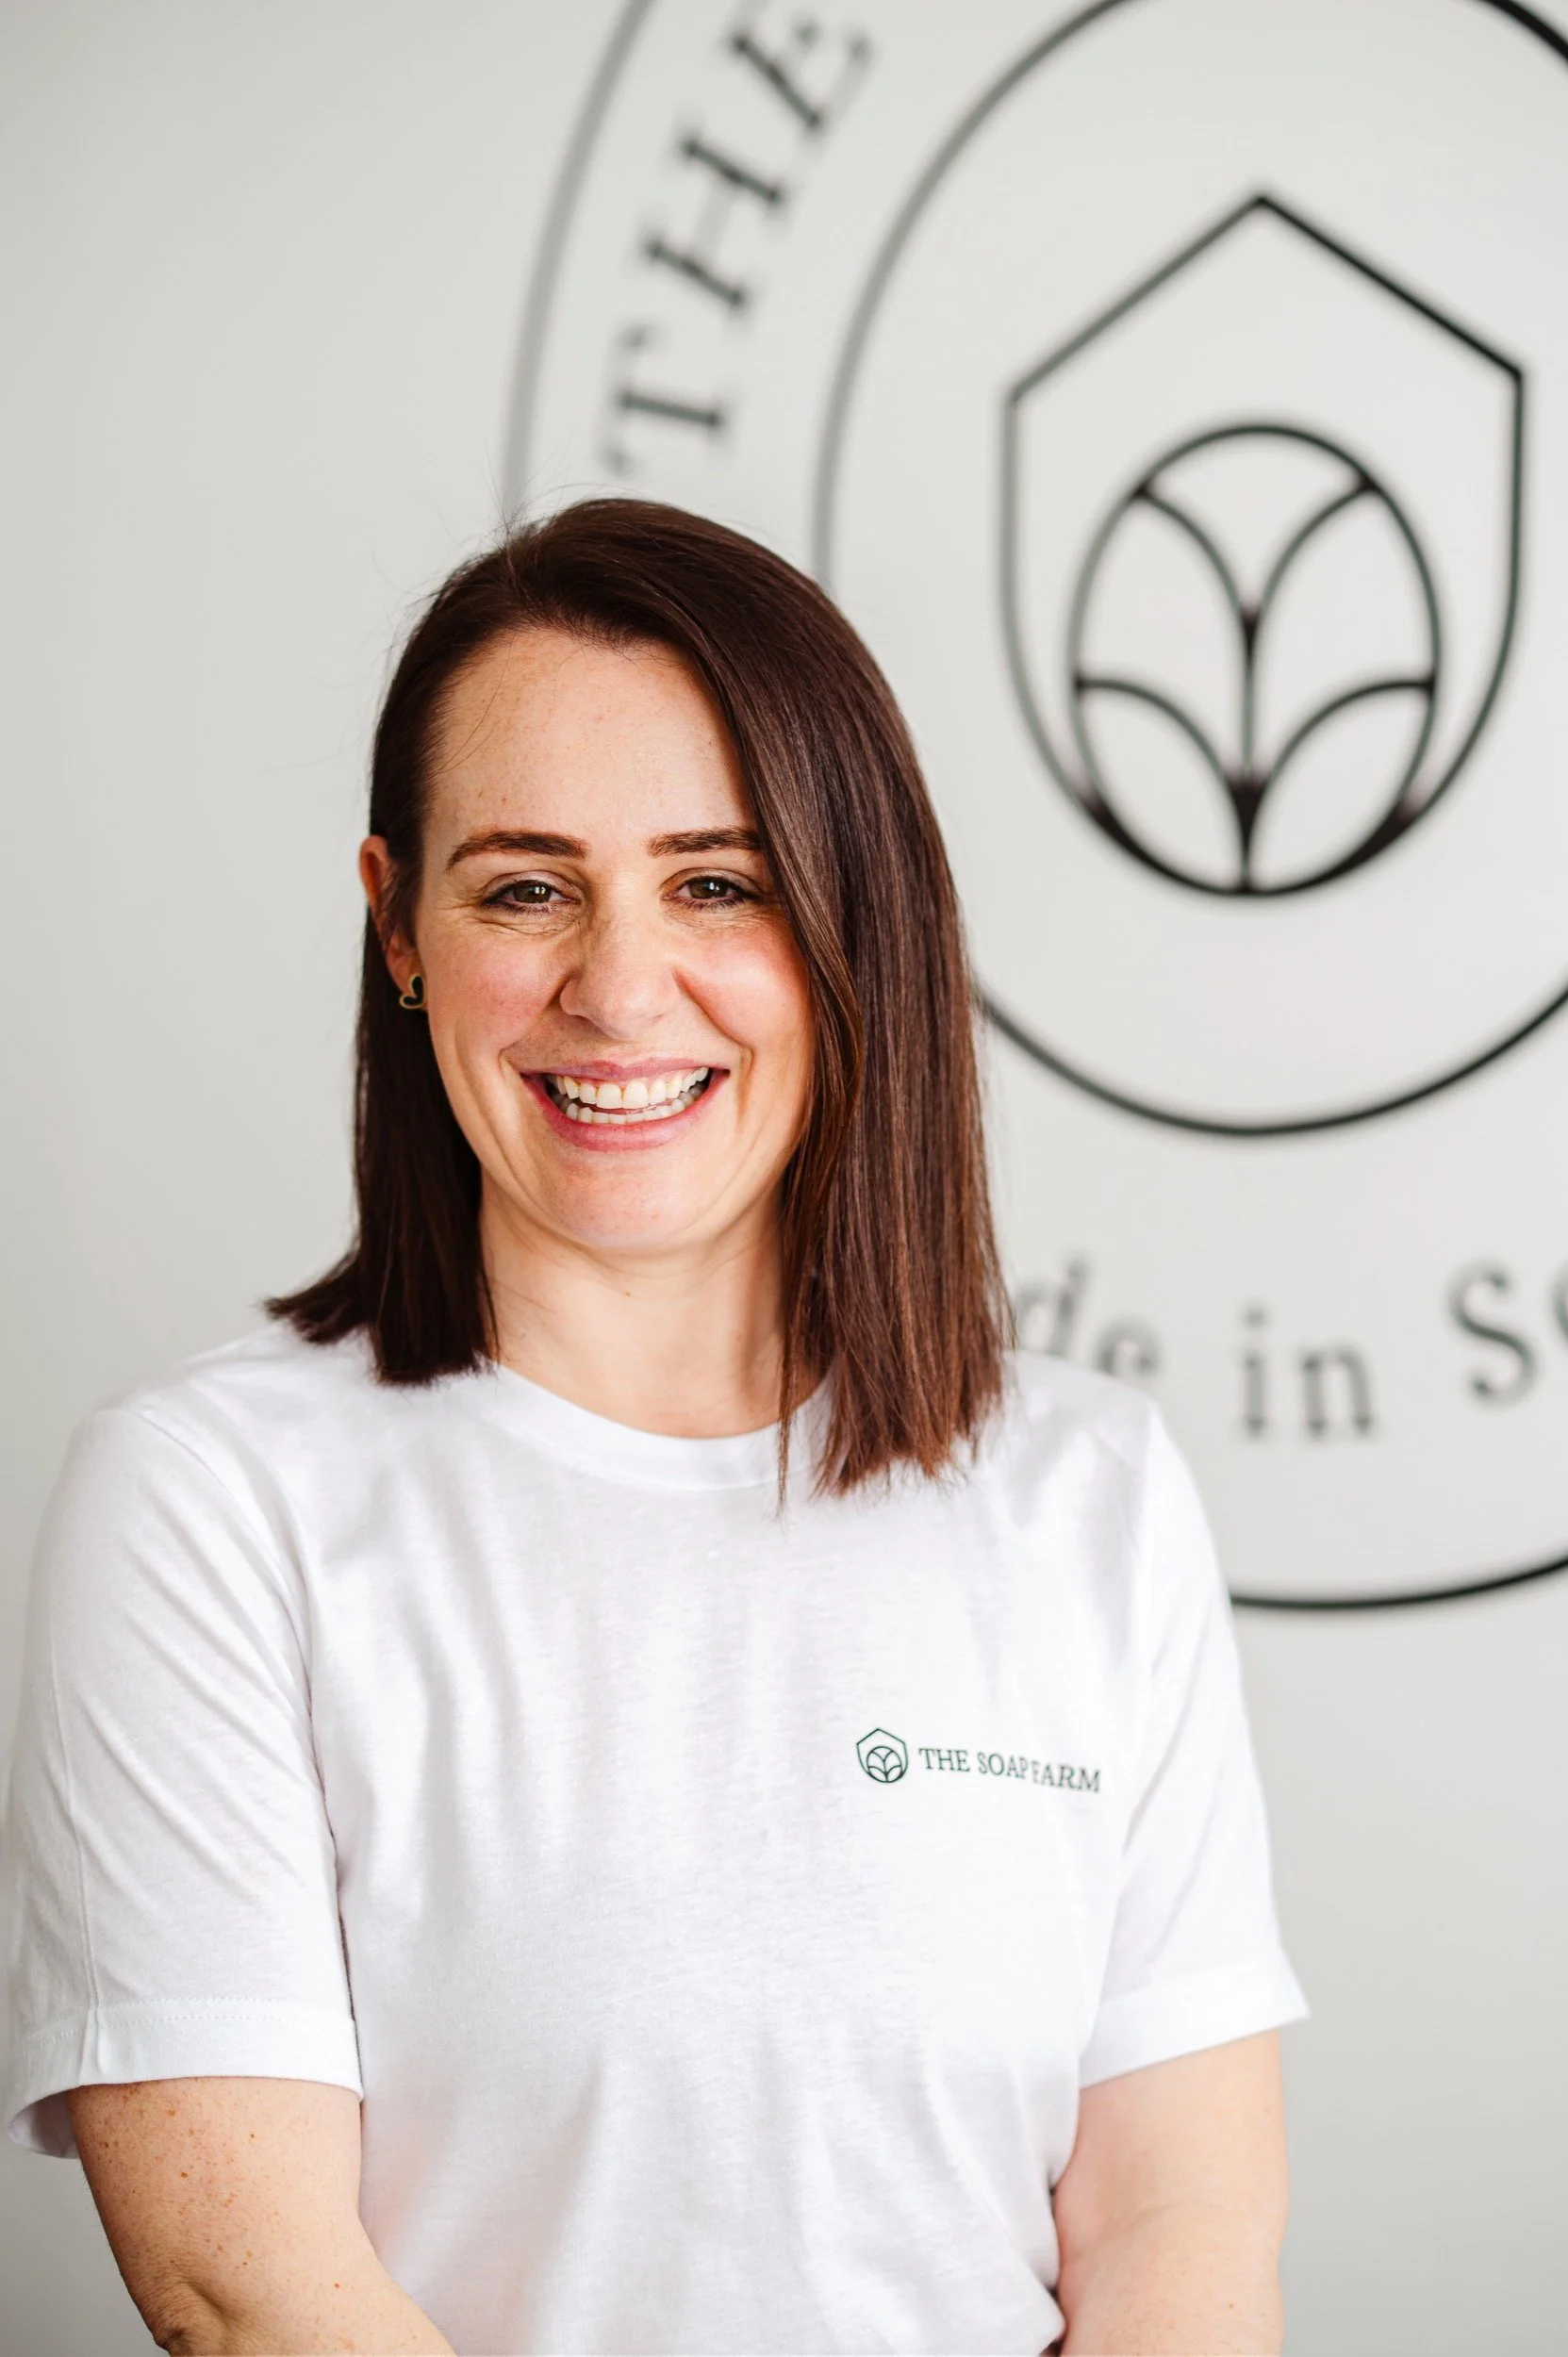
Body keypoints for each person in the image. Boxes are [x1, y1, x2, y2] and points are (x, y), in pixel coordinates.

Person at [3, 499, 1306, 2357]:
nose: (619, 986)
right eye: (525, 887)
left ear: (859, 917)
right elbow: (257, 2289)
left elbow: (1184, 2229)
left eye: (722, 881)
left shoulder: (1087, 1491)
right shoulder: (208, 1501)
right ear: (397, 923)